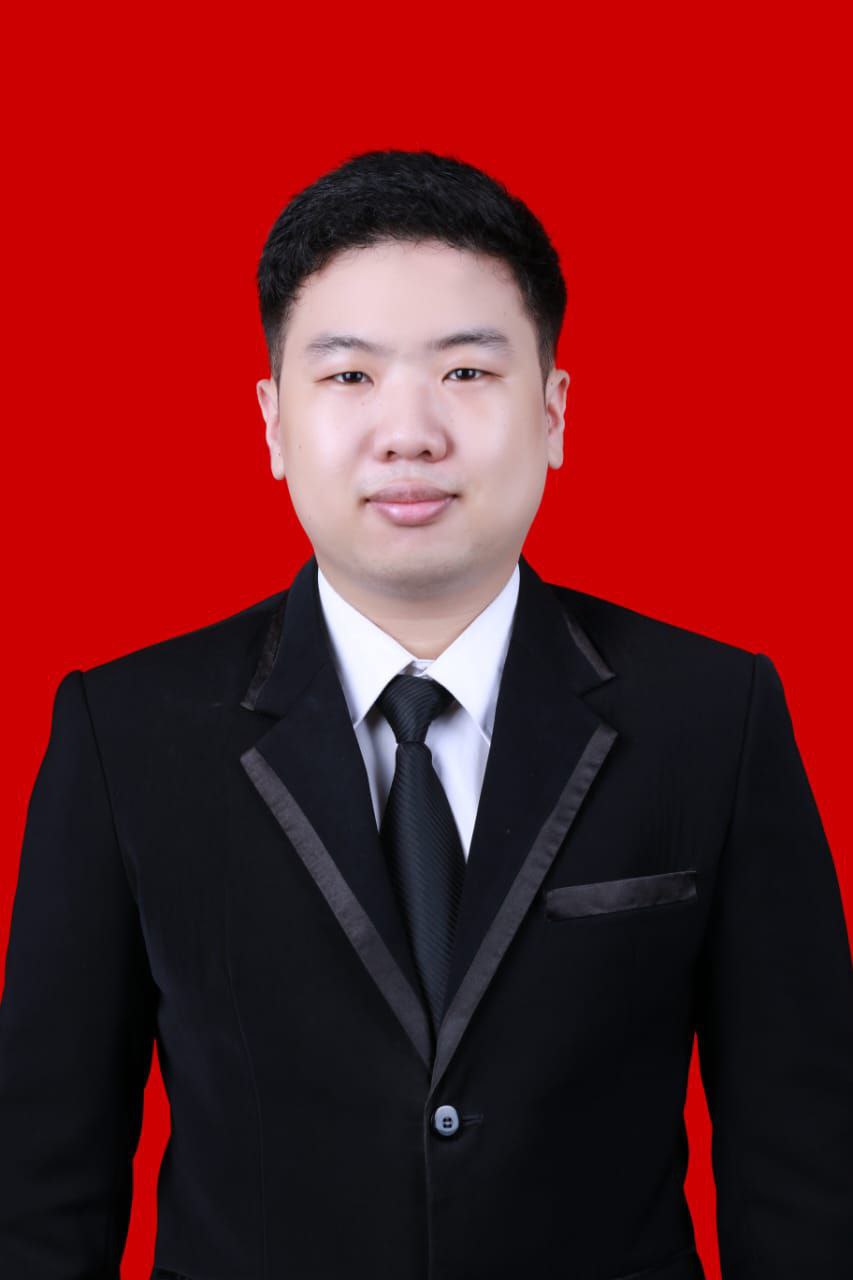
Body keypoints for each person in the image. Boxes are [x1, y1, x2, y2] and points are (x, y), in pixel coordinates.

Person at [0, 148, 851, 1280]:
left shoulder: (711, 713)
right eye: (349, 375)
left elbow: (803, 1164)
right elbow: (42, 1183)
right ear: (272, 422)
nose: (409, 433)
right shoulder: (126, 732)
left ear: (552, 411)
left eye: (465, 370)